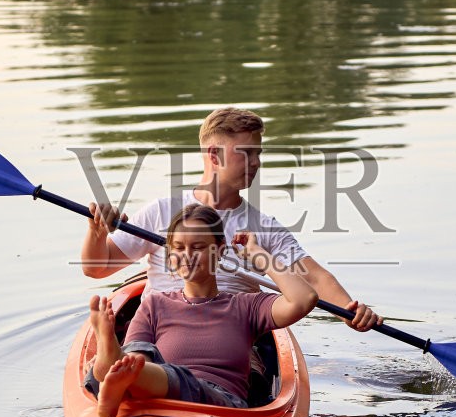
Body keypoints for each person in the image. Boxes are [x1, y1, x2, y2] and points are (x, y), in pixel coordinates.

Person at [80, 106, 382, 330]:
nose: (257, 163)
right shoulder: (161, 210)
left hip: (232, 336)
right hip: (160, 328)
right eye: (247, 153)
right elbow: (97, 268)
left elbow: (314, 277)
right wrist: (96, 232)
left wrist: (350, 311)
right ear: (214, 155)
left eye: (258, 153)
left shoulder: (264, 227)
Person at [86, 202, 317, 417]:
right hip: (159, 403)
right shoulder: (154, 304)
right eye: (179, 248)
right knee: (135, 360)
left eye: (198, 247)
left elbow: (304, 299)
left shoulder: (246, 306)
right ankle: (115, 371)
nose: (187, 255)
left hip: (222, 405)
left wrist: (260, 255)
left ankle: (112, 371)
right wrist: (125, 364)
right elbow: (139, 360)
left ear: (219, 250)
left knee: (169, 375)